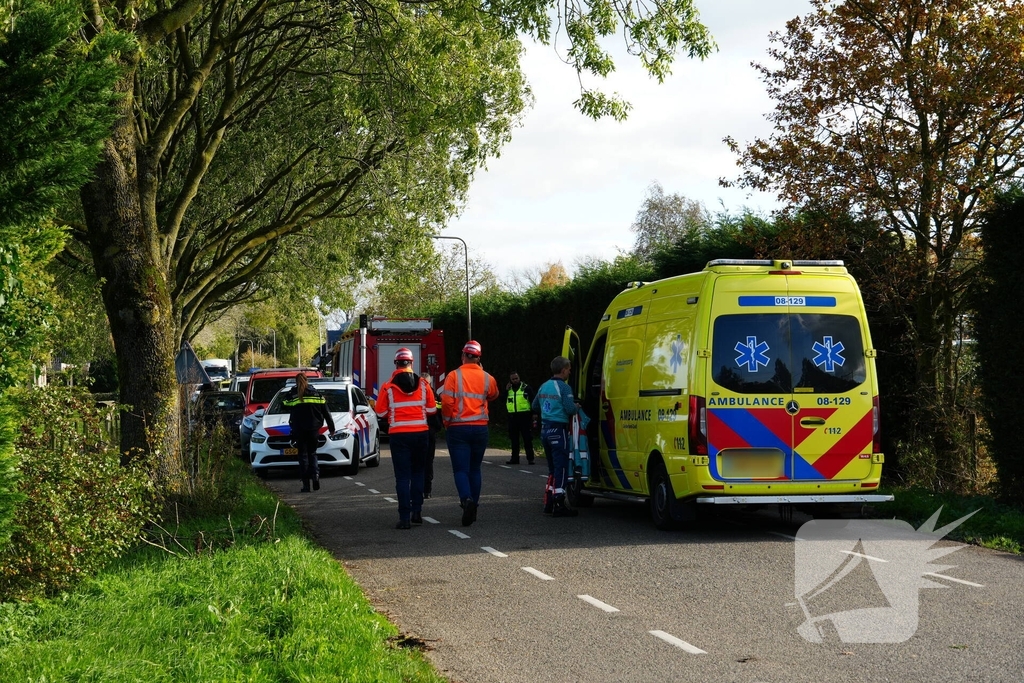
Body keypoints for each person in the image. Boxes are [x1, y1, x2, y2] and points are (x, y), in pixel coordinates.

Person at [375, 348, 437, 529]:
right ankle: (417, 511)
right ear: (411, 363)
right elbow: (432, 410)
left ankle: (404, 518)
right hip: (421, 434)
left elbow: (380, 411)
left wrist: (395, 414)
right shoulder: (424, 385)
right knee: (418, 473)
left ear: (396, 364)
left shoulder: (388, 387)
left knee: (402, 477)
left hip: (399, 436)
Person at [442, 340, 499, 526]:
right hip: (480, 428)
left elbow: (447, 403)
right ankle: (474, 506)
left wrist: (447, 422)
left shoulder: (453, 376)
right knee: (475, 469)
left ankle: (466, 500)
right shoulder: (487, 377)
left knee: (461, 470)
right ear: (479, 358)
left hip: (458, 428)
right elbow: (494, 394)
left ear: (463, 355)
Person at [531, 356, 579, 517]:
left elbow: (534, 405)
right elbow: (570, 409)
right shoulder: (564, 388)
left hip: (545, 430)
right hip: (559, 431)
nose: (570, 372)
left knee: (552, 468)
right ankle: (559, 501)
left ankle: (549, 501)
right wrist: (577, 406)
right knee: (562, 468)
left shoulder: (544, 386)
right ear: (563, 369)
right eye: (569, 369)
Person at [282, 372, 336, 493]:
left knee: (303, 456)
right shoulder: (317, 394)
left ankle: (306, 485)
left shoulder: (294, 395)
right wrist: (331, 428)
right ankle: (315, 476)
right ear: (307, 380)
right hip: (313, 430)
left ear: (296, 382)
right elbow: (327, 413)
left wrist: (290, 393)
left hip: (299, 430)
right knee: (312, 454)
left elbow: (283, 404)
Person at [504, 371, 536, 465]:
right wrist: (506, 390)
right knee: (514, 439)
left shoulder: (526, 388)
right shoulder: (508, 389)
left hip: (525, 416)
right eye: (513, 379)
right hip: (512, 417)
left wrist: (534, 413)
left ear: (519, 378)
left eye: (516, 378)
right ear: (510, 380)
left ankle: (530, 458)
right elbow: (502, 400)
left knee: (527, 438)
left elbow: (533, 400)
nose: (515, 380)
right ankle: (514, 459)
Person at [421, 372, 443, 498]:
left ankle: (420, 489)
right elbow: (438, 414)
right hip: (430, 432)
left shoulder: (414, 394)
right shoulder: (434, 395)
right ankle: (427, 490)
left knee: (419, 462)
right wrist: (437, 428)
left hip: (419, 432)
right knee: (428, 462)